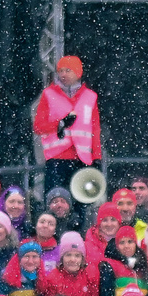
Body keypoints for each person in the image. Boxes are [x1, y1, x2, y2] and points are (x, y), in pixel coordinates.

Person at [33, 53, 102, 197]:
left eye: (67, 70)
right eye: (60, 71)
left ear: (78, 73)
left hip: (82, 160)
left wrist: (96, 157)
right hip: (57, 159)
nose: (63, 74)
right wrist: (59, 124)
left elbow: (94, 129)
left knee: (81, 204)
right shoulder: (48, 94)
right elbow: (38, 126)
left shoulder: (90, 97)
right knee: (55, 202)